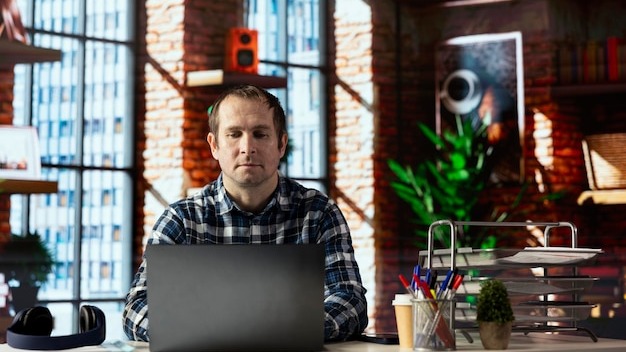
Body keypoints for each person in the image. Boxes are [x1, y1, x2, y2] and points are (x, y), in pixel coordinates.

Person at [122, 84, 368, 342]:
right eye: (234, 134)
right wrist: (230, 331)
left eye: (260, 134)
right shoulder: (181, 220)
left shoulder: (319, 213)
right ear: (214, 145)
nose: (247, 147)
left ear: (281, 144)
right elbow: (136, 309)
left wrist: (283, 331)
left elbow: (351, 300)